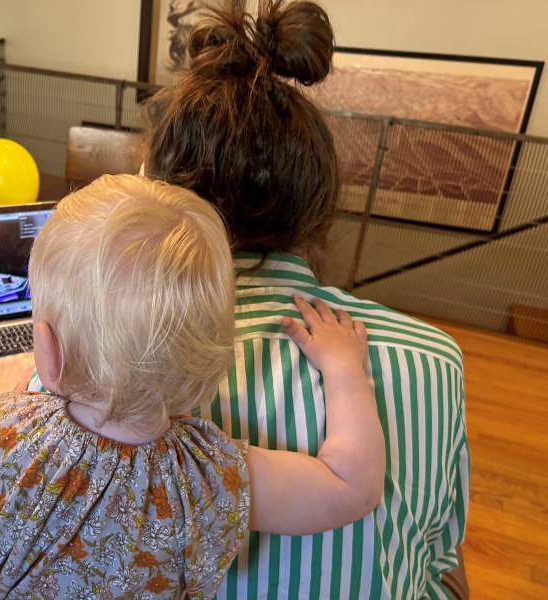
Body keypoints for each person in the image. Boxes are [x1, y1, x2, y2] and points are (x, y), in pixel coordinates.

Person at [0, 174, 384, 599]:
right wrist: (343, 368)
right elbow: (351, 489)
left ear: (47, 355)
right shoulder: (214, 476)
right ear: (210, 358)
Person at [139, 1, 470, 598]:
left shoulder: (109, 357)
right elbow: (440, 557)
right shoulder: (436, 358)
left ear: (160, 191)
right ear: (317, 204)